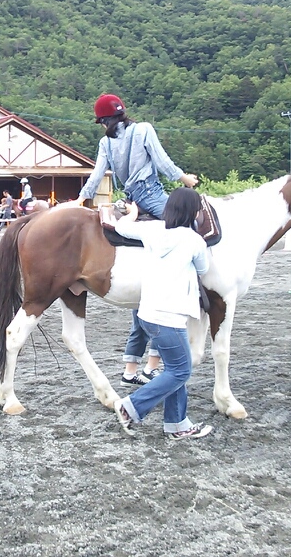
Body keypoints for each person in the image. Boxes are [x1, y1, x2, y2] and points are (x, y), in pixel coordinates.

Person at [73, 94, 199, 385]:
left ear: (104, 121)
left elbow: (97, 173)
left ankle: (135, 363)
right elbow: (162, 161)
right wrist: (184, 179)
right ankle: (199, 285)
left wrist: (82, 198)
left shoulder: (106, 142)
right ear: (123, 113)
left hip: (130, 199)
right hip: (152, 195)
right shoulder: (143, 129)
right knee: (189, 229)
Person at [111, 189, 212, 440]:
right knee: (181, 371)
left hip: (147, 313)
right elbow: (204, 268)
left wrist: (132, 214)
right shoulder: (194, 241)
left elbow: (122, 227)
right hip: (170, 317)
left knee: (173, 370)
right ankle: (131, 406)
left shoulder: (153, 230)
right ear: (193, 212)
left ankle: (177, 425)